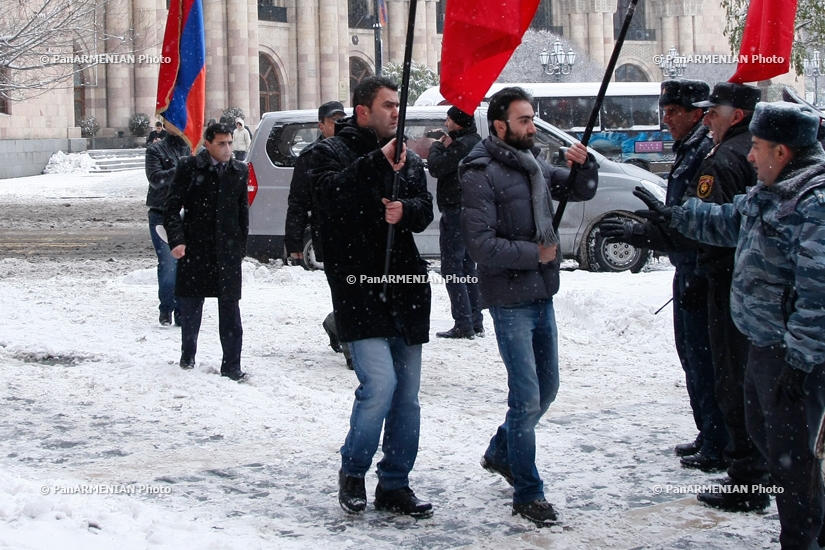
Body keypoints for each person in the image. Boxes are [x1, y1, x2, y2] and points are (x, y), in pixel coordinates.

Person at [646, 100, 825, 550]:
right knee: (772, 446)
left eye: (758, 147)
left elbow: (819, 293)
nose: (749, 155)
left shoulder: (813, 202)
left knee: (795, 462)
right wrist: (676, 217)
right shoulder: (774, 191)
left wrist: (801, 362)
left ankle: (804, 539)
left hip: (794, 359)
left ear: (781, 152)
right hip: (765, 346)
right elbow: (730, 220)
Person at [459, 86, 598, 525]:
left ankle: (502, 451)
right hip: (509, 298)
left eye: (533, 119)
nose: (532, 127)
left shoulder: (533, 164)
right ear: (499, 126)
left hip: (542, 292)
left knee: (547, 389)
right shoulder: (478, 171)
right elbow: (480, 246)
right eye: (524, 120)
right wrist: (531, 254)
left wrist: (584, 164)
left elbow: (577, 190)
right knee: (526, 398)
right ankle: (528, 493)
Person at [310, 76, 434, 518]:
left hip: (406, 292)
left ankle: (395, 482)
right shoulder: (328, 152)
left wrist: (407, 211)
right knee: (379, 387)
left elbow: (424, 209)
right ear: (362, 110)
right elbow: (328, 197)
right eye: (387, 106)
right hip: (359, 290)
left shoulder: (406, 158)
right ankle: (354, 471)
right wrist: (376, 163)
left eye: (398, 105)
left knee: (407, 396)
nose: (395, 112)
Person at [599, 80, 728, 466]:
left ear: (697, 114)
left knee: (705, 359)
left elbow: (695, 224)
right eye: (665, 111)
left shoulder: (706, 153)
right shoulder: (690, 148)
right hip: (687, 266)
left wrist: (647, 232)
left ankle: (718, 441)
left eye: (674, 112)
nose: (666, 119)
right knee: (691, 356)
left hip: (700, 268)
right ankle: (709, 431)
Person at [163, 122, 249, 382]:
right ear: (207, 143)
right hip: (196, 248)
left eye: (230, 143)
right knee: (191, 307)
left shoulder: (238, 170)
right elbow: (171, 208)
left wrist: (240, 247)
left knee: (231, 311)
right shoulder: (190, 168)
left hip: (227, 251)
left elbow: (242, 213)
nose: (227, 149)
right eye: (221, 143)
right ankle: (188, 355)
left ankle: (232, 365)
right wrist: (177, 241)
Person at [284, 100, 351, 367]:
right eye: (333, 120)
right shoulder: (310, 157)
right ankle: (352, 350)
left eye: (342, 119)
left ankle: (336, 323)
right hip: (330, 234)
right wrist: (294, 241)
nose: (339, 125)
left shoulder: (357, 149)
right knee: (343, 290)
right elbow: (298, 202)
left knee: (359, 289)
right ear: (321, 126)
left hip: (361, 233)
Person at [428, 106, 483, 339]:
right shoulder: (474, 141)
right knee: (468, 267)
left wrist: (437, 145)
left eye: (449, 119)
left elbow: (437, 167)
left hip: (457, 211)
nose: (446, 122)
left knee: (453, 268)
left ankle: (464, 323)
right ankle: (474, 319)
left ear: (458, 123)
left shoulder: (463, 145)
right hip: (470, 211)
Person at [145, 125, 190, 326]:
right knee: (169, 264)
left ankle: (183, 310)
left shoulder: (193, 149)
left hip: (187, 214)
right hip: (161, 213)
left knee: (186, 266)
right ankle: (167, 308)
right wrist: (181, 167)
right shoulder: (155, 150)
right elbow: (155, 179)